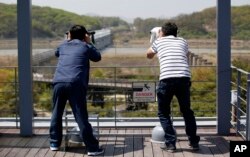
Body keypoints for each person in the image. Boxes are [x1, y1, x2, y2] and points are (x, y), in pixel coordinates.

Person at [49, 25, 104, 156]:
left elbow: (57, 53)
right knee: (80, 116)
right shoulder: (86, 46)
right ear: (85, 35)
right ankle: (92, 148)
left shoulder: (63, 45)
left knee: (56, 113)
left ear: (70, 35)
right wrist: (89, 42)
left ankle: (54, 143)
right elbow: (97, 57)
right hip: (75, 83)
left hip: (58, 82)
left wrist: (69, 39)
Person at [146, 22, 200, 152]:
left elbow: (148, 55)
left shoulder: (159, 41)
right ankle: (193, 142)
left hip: (166, 79)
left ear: (162, 32)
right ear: (176, 33)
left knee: (164, 113)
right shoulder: (183, 41)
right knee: (187, 111)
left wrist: (157, 38)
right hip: (184, 78)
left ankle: (171, 143)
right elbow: (183, 53)